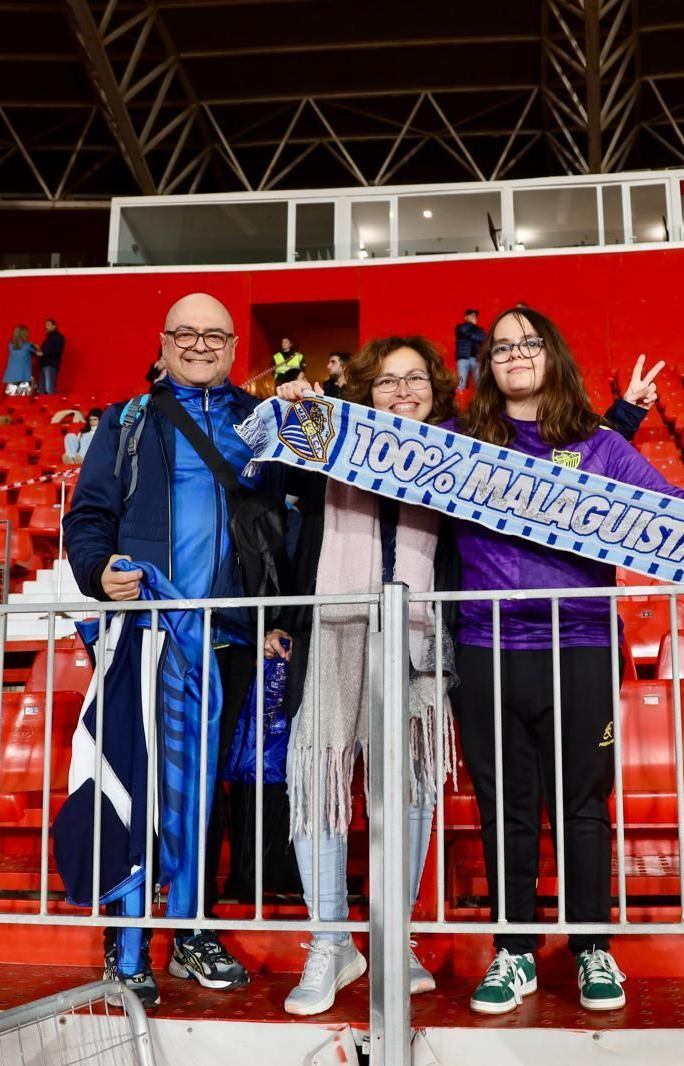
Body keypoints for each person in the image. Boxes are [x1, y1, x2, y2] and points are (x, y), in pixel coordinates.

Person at [451, 307, 684, 1017]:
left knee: (582, 805)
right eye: (501, 348)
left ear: (552, 354)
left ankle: (592, 947)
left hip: (580, 642)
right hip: (487, 647)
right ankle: (515, 951)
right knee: (505, 807)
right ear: (487, 365)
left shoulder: (599, 444)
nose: (515, 355)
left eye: (528, 343)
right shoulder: (459, 443)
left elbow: (672, 508)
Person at [64, 292, 284, 1007]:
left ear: (232, 347)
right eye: (185, 333)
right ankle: (126, 938)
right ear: (162, 343)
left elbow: (288, 522)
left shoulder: (259, 423)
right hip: (149, 639)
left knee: (206, 797)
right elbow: (89, 517)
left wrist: (275, 617)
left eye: (214, 335)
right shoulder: (126, 421)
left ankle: (190, 929)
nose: (199, 344)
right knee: (140, 784)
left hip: (227, 641)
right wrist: (98, 572)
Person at [257, 337, 459, 1016]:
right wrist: (291, 414)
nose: (401, 391)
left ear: (436, 389)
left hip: (419, 633)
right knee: (318, 777)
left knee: (408, 789)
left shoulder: (457, 456)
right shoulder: (331, 443)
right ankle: (329, 941)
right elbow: (271, 492)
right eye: (385, 381)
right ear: (363, 391)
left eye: (415, 379)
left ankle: (392, 938)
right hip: (332, 626)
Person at [454, 308, 486, 390]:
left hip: (476, 359)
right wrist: (471, 324)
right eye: (472, 315)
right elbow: (463, 331)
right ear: (466, 317)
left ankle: (479, 402)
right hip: (463, 358)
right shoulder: (460, 327)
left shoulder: (479, 329)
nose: (474, 317)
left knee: (479, 385)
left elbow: (482, 338)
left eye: (475, 316)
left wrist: (470, 334)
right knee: (461, 384)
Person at [4, 325, 39, 396]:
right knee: (23, 400)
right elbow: (39, 353)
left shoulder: (10, 345)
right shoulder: (28, 345)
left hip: (11, 376)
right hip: (24, 376)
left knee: (11, 400)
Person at [39, 318, 65, 394]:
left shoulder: (58, 337)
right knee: (42, 390)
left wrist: (43, 353)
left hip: (50, 365)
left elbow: (57, 349)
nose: (46, 327)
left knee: (49, 389)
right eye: (45, 325)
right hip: (44, 365)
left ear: (54, 326)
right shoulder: (48, 338)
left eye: (48, 325)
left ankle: (51, 404)